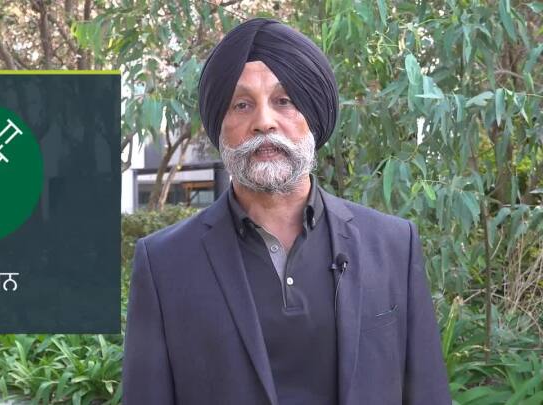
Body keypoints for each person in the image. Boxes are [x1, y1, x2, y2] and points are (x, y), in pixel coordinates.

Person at [122, 17, 451, 405]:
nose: (264, 122)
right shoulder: (164, 263)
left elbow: (427, 393)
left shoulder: (393, 244)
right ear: (219, 124)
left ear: (313, 115)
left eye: (284, 101)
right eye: (242, 104)